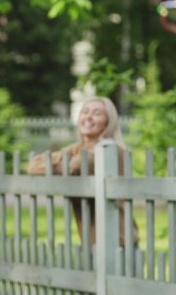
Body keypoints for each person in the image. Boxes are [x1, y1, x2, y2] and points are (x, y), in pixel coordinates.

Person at [28, 97, 139, 248]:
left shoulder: (112, 150)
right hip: (90, 242)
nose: (88, 117)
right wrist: (66, 164)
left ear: (108, 121)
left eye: (97, 113)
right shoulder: (76, 148)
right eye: (85, 112)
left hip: (119, 241)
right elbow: (34, 166)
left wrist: (60, 164)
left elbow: (79, 166)